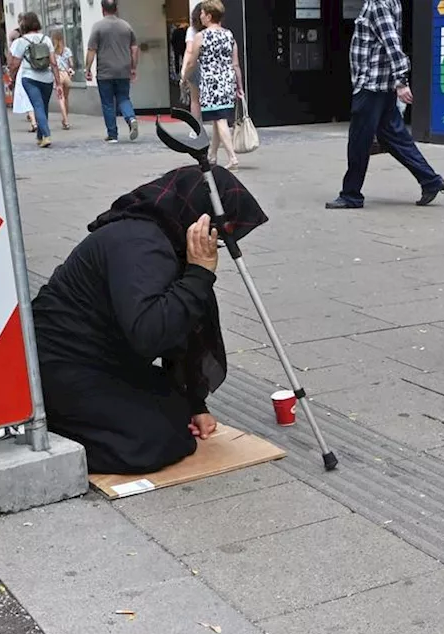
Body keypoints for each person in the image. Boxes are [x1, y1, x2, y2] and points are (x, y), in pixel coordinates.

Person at [31, 167, 269, 474]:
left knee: (174, 406)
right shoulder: (141, 244)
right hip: (60, 365)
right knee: (154, 441)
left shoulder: (162, 236)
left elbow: (178, 330)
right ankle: (55, 442)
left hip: (101, 359)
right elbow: (150, 333)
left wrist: (196, 405)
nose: (214, 244)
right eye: (217, 235)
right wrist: (199, 274)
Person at [325, 0, 444, 209]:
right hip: (382, 84)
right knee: (395, 138)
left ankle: (351, 194)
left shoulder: (378, 4)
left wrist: (401, 81)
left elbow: (392, 44)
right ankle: (430, 180)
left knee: (358, 142)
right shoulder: (391, 2)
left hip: (372, 85)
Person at [182, 0, 244, 169]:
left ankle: (232, 157)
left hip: (211, 83)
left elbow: (192, 62)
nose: (200, 16)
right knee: (219, 118)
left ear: (209, 16)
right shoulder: (229, 35)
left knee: (220, 120)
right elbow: (235, 64)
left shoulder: (201, 37)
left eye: (202, 13)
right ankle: (213, 155)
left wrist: (184, 78)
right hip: (227, 81)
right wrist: (239, 86)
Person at [86, 0, 140, 144]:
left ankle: (112, 135)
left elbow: (92, 50)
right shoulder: (126, 26)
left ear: (102, 9)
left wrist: (88, 69)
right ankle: (131, 118)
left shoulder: (98, 27)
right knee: (124, 98)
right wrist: (133, 67)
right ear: (116, 9)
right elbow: (134, 49)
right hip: (123, 70)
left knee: (108, 103)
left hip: (105, 72)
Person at [7, 13, 59, 148]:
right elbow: (53, 62)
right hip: (47, 78)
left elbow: (15, 64)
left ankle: (46, 135)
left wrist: (12, 78)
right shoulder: (46, 39)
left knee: (37, 106)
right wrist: (58, 82)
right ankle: (40, 136)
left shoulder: (21, 41)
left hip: (30, 78)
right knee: (43, 107)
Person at [52, 29, 75, 131]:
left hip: (58, 75)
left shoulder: (52, 51)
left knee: (60, 98)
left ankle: (65, 121)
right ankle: (65, 118)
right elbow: (72, 64)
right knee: (66, 98)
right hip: (66, 76)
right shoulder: (67, 50)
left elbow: (51, 64)